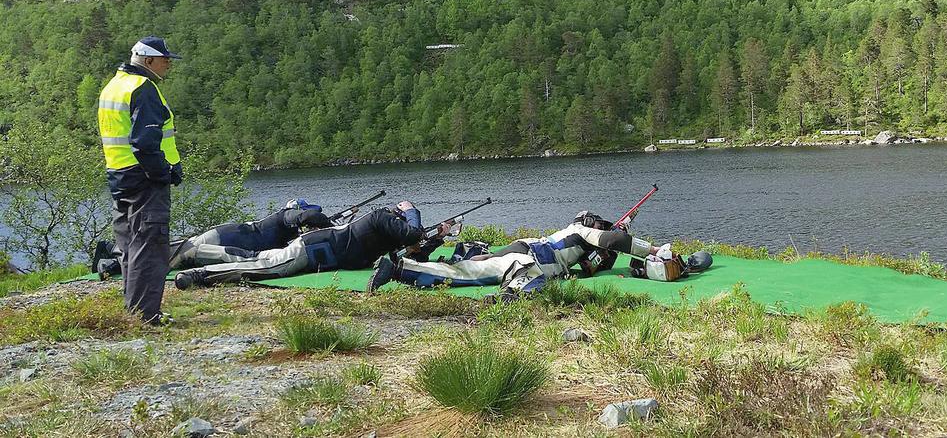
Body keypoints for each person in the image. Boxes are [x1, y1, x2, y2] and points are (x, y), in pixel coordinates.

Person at [367, 211, 711, 299]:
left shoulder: (571, 237)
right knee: (472, 277)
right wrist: (652, 250)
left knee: (464, 271)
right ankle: (398, 269)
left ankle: (398, 268)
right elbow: (612, 239)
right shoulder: (580, 233)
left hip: (519, 252)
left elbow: (589, 266)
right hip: (527, 261)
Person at [97, 36, 183, 325]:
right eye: (164, 59)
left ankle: (134, 312)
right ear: (148, 61)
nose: (168, 64)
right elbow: (145, 142)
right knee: (150, 243)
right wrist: (164, 173)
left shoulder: (114, 85)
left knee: (129, 244)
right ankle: (146, 316)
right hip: (145, 178)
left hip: (119, 175)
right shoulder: (143, 88)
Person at [173, 201, 451, 288]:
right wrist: (413, 211)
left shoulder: (384, 240)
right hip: (312, 248)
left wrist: (437, 238)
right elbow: (413, 235)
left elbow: (412, 254)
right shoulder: (380, 217)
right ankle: (199, 272)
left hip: (315, 250)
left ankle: (198, 256)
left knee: (258, 259)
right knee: (265, 267)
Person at [92, 198, 334, 278]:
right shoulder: (286, 216)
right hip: (224, 240)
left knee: (170, 252)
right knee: (169, 259)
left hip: (223, 235)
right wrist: (327, 223)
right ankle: (112, 257)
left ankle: (114, 255)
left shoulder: (285, 227)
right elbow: (309, 215)